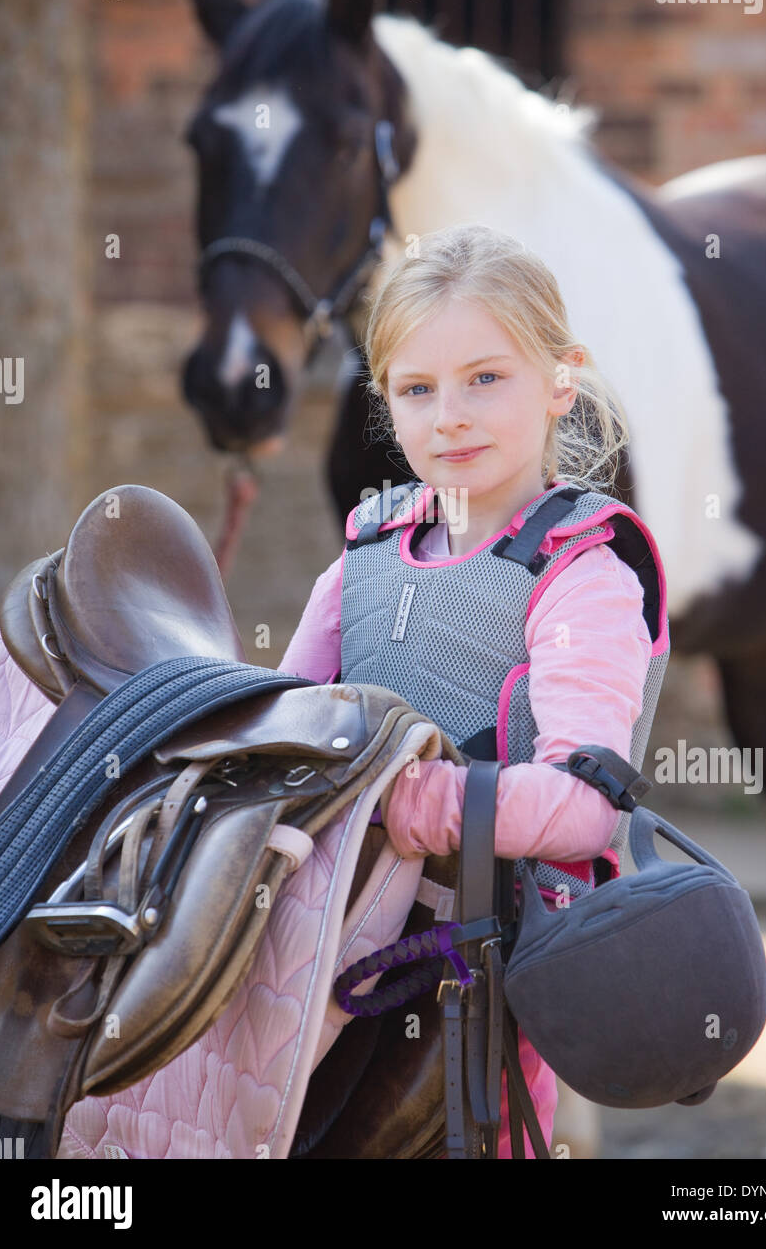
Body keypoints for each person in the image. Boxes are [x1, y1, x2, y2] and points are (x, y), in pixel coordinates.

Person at [275, 221, 665, 1158]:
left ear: (560, 380)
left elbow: (580, 803)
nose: (449, 414)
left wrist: (427, 799)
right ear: (388, 407)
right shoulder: (361, 557)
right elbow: (286, 725)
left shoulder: (582, 575)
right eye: (417, 390)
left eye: (485, 378)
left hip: (483, 968)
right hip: (322, 947)